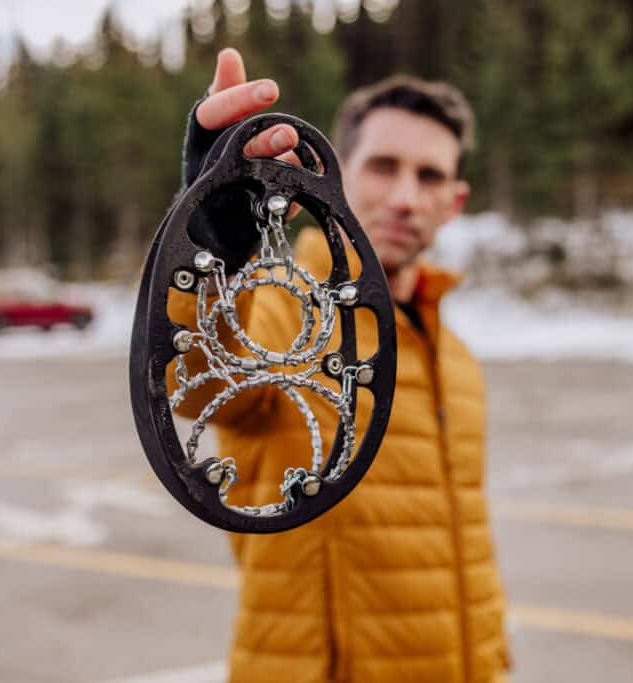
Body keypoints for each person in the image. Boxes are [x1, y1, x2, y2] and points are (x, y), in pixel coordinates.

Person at [170, 48, 511, 683]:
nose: (406, 197)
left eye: (429, 177)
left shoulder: (457, 359)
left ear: (454, 202)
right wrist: (213, 243)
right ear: (336, 174)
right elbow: (201, 377)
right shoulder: (278, 313)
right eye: (384, 167)